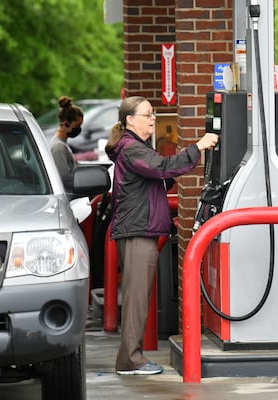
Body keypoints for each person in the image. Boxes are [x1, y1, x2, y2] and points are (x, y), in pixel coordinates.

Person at [105, 96, 219, 375]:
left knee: (139, 296)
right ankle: (129, 361)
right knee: (136, 298)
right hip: (136, 231)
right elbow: (162, 168)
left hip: (139, 229)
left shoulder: (137, 148)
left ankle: (131, 358)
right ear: (130, 120)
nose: (153, 118)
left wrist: (176, 167)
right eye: (147, 114)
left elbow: (160, 176)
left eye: (153, 113)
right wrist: (198, 148)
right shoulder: (132, 148)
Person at [49, 96, 84, 191]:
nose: (78, 129)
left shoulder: (62, 144)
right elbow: (65, 178)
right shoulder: (58, 147)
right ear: (65, 124)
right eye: (77, 126)